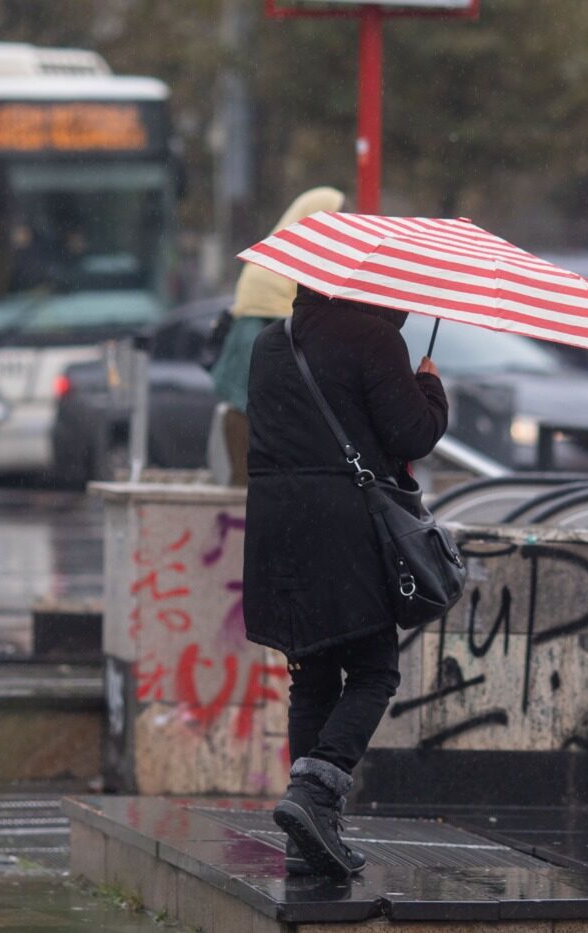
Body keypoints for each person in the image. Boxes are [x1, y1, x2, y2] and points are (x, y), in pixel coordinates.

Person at [242, 284, 449, 878]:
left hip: (277, 527)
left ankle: (307, 839)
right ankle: (314, 793)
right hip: (344, 530)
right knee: (374, 670)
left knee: (310, 675)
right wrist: (430, 385)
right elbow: (413, 436)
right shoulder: (372, 336)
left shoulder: (269, 342)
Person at [206, 187, 345, 486]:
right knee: (249, 485)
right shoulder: (274, 272)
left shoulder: (287, 259)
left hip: (252, 411)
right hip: (249, 413)